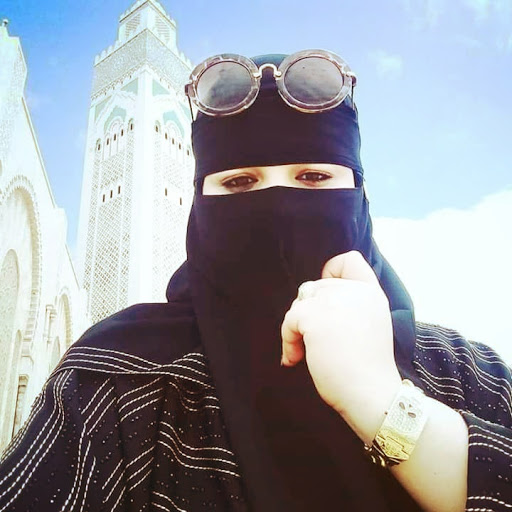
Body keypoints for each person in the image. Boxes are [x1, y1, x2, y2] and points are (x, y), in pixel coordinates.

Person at [0, 49, 511, 512]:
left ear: (359, 194)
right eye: (240, 182)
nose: (277, 207)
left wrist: (382, 401)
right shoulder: (117, 385)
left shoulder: (467, 373)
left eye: (313, 177)